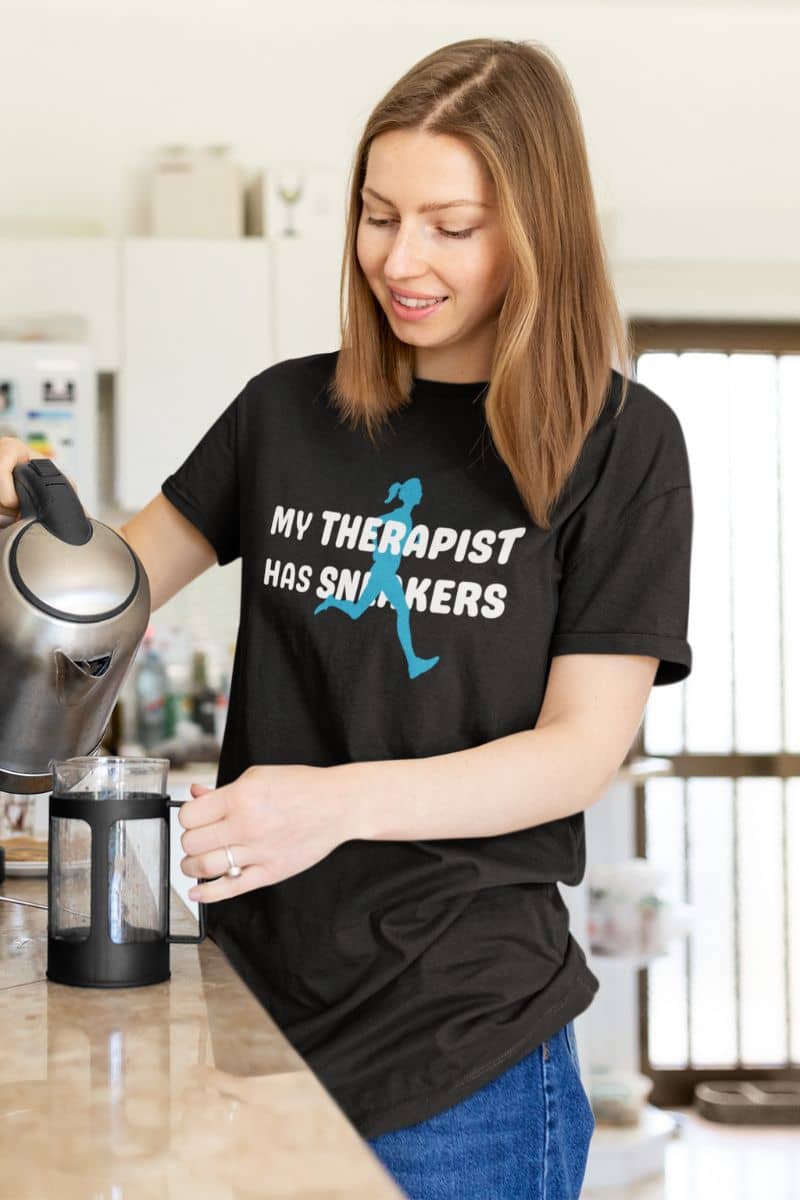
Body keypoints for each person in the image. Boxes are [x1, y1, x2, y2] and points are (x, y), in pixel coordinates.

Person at [0, 36, 693, 1200]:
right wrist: (27, 502)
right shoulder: (283, 413)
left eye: (449, 226)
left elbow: (580, 750)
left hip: (466, 1051)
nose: (399, 258)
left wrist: (331, 802)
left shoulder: (619, 446)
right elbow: (108, 594)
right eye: (376, 216)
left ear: (538, 228)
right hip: (255, 1016)